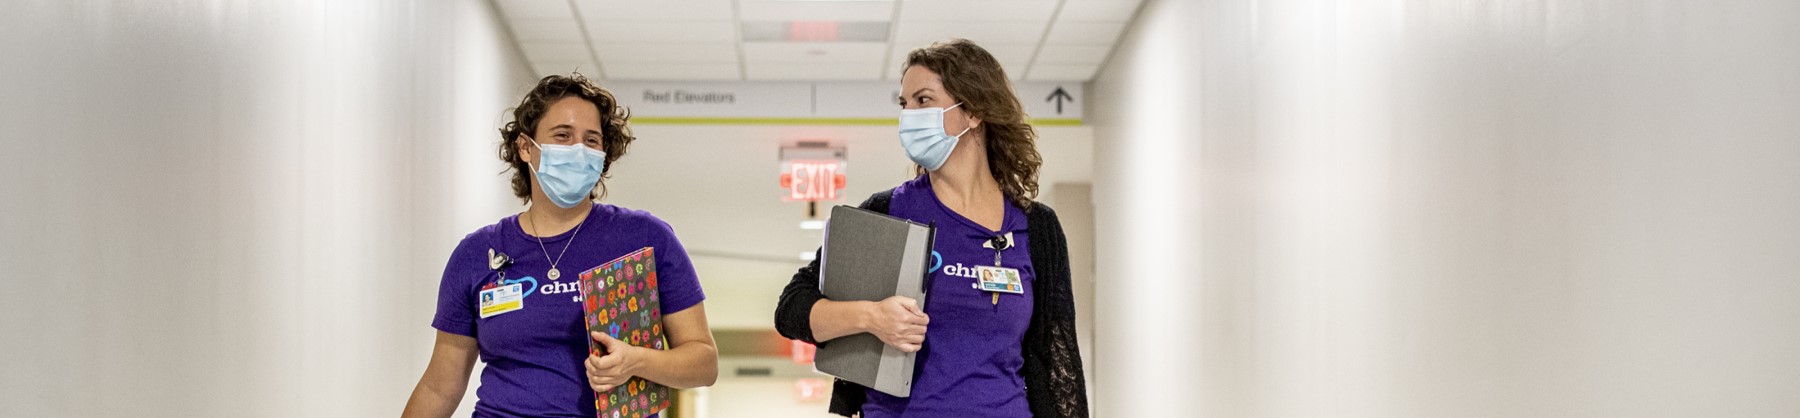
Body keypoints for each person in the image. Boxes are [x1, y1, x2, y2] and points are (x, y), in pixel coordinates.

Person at [774, 39, 1090, 418]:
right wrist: (872, 317)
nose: (909, 115)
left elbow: (1059, 364)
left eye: (923, 100)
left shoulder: (1036, 228)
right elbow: (791, 308)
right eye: (904, 104)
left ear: (973, 111)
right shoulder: (889, 211)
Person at [403, 73, 717, 418]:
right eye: (563, 136)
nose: (578, 150)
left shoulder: (644, 239)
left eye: (591, 140)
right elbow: (439, 386)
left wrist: (638, 361)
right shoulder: (478, 253)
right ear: (526, 147)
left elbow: (704, 362)